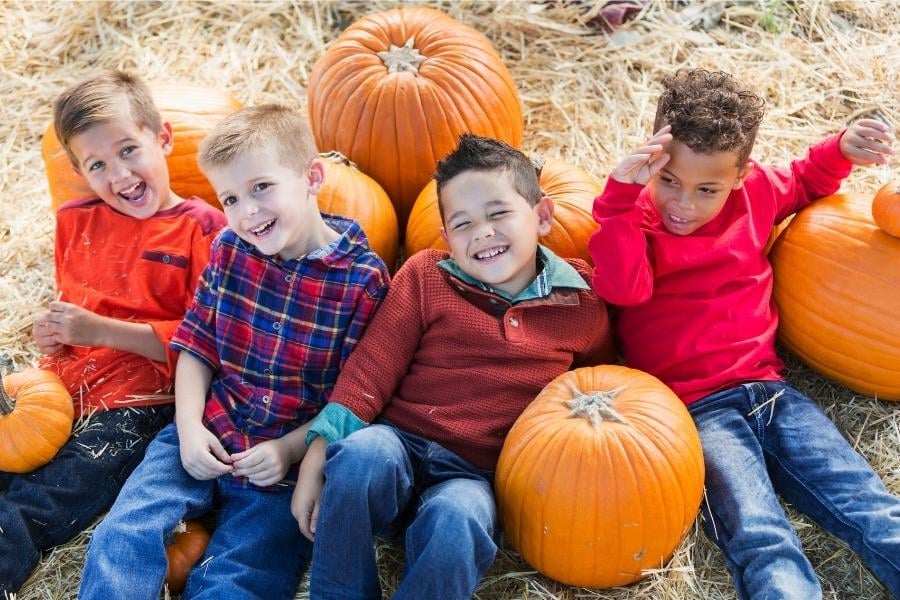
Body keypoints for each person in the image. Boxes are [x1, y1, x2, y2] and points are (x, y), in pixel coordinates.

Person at [588, 68, 900, 599]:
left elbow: (805, 180)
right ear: (653, 160)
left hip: (772, 393)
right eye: (669, 181)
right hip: (696, 411)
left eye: (706, 188)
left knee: (867, 501)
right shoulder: (635, 217)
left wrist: (841, 149)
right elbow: (623, 290)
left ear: (739, 175)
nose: (683, 204)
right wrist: (619, 199)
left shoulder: (754, 194)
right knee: (761, 537)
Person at [79, 105, 390, 599]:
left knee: (240, 575)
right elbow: (196, 345)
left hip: (278, 467)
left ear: (311, 177)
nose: (247, 212)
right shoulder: (230, 248)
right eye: (230, 198)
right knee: (125, 534)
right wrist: (187, 428)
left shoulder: (363, 281)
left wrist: (288, 450)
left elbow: (353, 400)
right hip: (206, 430)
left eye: (261, 188)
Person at [292, 133, 614, 599]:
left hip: (473, 473)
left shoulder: (581, 304)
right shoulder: (427, 276)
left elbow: (596, 385)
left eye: (499, 213)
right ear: (446, 237)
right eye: (462, 223)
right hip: (399, 444)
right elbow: (370, 372)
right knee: (363, 456)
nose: (482, 232)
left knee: (460, 518)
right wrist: (313, 461)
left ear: (543, 216)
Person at [0, 69, 226, 594]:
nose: (119, 173)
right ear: (79, 171)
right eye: (97, 164)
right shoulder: (76, 221)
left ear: (163, 138)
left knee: (50, 495)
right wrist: (52, 333)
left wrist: (101, 330)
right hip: (58, 391)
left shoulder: (202, 230)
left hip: (138, 406)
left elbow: (206, 341)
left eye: (128, 150)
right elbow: (74, 306)